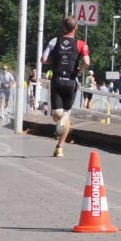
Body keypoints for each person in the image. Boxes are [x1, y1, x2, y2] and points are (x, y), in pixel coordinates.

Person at [42, 16, 91, 157]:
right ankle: (60, 146)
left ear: (63, 27)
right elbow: (87, 62)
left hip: (57, 81)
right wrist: (79, 71)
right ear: (76, 28)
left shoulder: (54, 41)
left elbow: (43, 59)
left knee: (57, 115)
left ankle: (60, 146)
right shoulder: (82, 44)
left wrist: (54, 60)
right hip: (71, 82)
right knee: (66, 114)